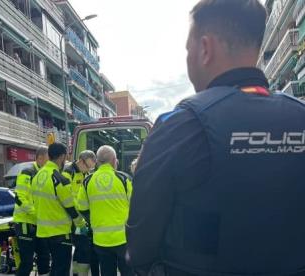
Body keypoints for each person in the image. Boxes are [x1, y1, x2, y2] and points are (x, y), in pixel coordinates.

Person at [126, 0, 305, 275]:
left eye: (188, 49)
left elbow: (141, 242)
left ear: (205, 49)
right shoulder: (299, 116)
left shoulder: (179, 126)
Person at [77, 145, 133, 276]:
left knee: (107, 272)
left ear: (97, 161)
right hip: (123, 239)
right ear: (114, 160)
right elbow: (136, 206)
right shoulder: (124, 179)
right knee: (128, 272)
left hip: (100, 239)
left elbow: (82, 207)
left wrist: (94, 220)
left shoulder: (87, 181)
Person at [32, 143, 85, 276]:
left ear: (49, 155)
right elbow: (70, 207)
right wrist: (81, 224)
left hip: (43, 231)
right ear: (62, 156)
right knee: (61, 269)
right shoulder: (58, 178)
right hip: (59, 232)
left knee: (55, 267)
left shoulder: (38, 176)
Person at [12, 147, 50, 276]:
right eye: (48, 159)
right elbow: (19, 198)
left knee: (44, 258)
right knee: (27, 262)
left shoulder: (44, 174)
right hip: (26, 223)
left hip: (40, 224)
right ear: (40, 158)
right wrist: (36, 213)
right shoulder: (28, 172)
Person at [62, 150, 99, 276]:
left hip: (82, 219)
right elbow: (66, 197)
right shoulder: (68, 173)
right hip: (73, 218)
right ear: (80, 160)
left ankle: (77, 273)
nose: (88, 169)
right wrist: (77, 217)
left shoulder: (86, 174)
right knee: (83, 249)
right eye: (88, 166)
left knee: (80, 249)